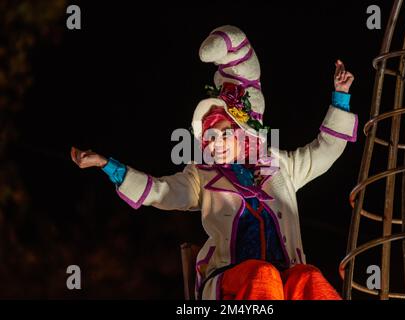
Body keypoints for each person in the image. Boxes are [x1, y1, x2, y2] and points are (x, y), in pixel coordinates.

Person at [71, 25, 357, 300]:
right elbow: (160, 191)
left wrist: (341, 98)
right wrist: (107, 165)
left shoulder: (280, 167)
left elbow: (326, 150)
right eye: (209, 136)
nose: (215, 142)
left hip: (285, 278)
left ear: (244, 135)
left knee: (309, 277)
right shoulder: (202, 176)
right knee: (262, 275)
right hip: (229, 283)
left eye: (223, 133)